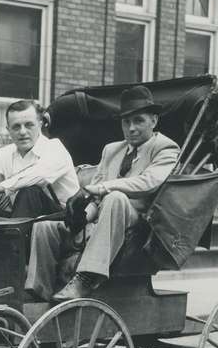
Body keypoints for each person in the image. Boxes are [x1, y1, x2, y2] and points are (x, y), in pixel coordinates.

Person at [26, 85, 181, 301]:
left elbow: (148, 183)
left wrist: (99, 188)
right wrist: (84, 215)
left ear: (154, 121)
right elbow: (97, 196)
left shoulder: (165, 148)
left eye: (139, 121)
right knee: (44, 226)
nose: (132, 128)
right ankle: (38, 289)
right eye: (126, 122)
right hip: (103, 219)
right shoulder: (112, 150)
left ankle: (86, 278)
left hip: (138, 227)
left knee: (116, 197)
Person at [0, 100, 79, 218]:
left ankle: (11, 237)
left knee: (30, 192)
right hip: (21, 218)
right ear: (8, 130)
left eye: (29, 125)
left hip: (62, 218)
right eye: (16, 127)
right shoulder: (5, 153)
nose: (23, 132)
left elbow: (35, 177)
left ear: (40, 124)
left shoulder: (55, 148)